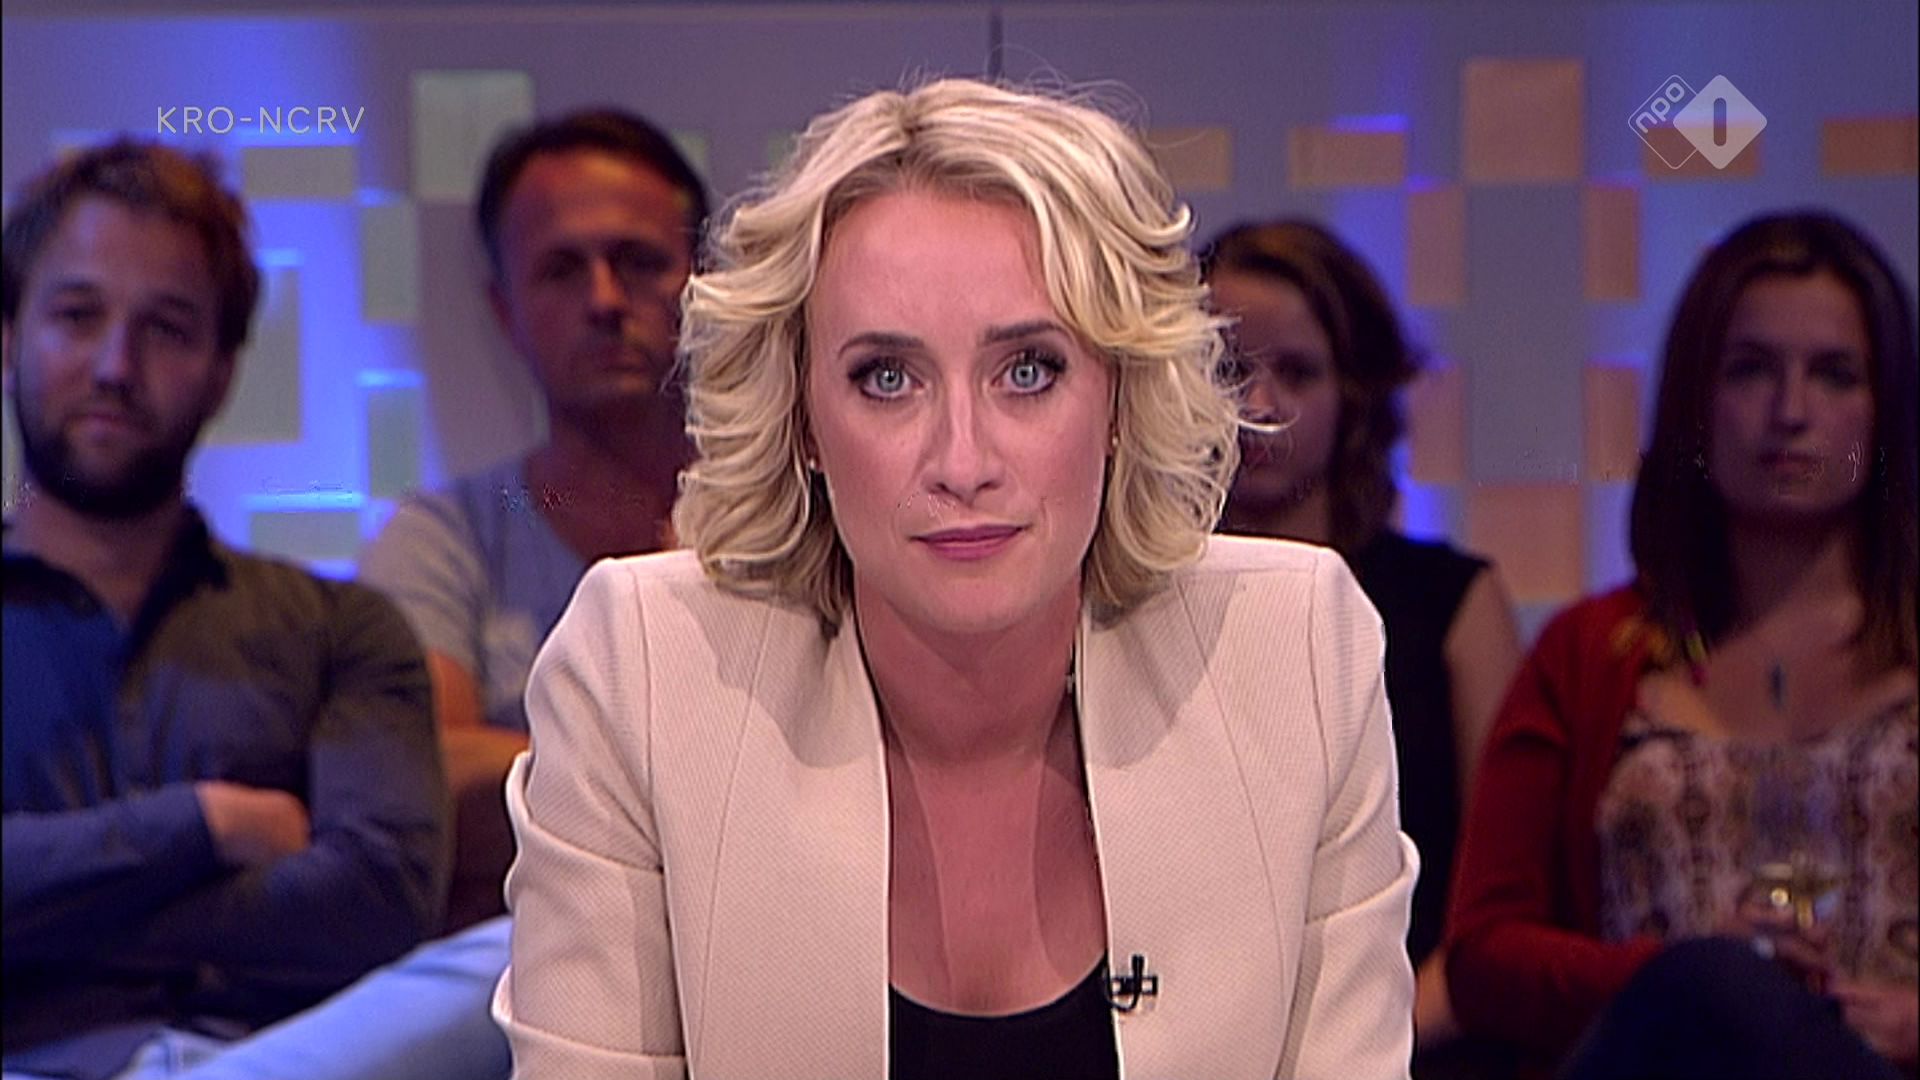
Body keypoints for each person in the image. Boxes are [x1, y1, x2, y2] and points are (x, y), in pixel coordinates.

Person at [495, 78, 1418, 1079]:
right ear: (804, 421)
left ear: (1119, 395)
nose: (963, 461)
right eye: (887, 378)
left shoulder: (1292, 652)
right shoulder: (642, 674)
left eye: (1028, 371)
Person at [1, 141, 447, 1080]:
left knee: (514, 957)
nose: (115, 366)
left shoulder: (343, 630)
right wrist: (202, 825)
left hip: (285, 1063)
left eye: (167, 328)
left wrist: (53, 917)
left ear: (221, 370)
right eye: (77, 316)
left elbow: (379, 898)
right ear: (9, 336)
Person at [1446, 210, 1918, 1079]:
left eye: (1835, 375)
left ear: (1887, 408)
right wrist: (1686, 975)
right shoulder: (1588, 653)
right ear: (1695, 401)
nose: (1790, 412)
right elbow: (1482, 956)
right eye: (1750, 370)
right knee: (1713, 989)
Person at [357, 107, 708, 930]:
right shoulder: (447, 538)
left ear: (706, 283)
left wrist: (525, 777)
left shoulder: (794, 516)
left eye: (639, 262)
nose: (605, 300)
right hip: (509, 960)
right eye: (560, 270)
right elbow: (415, 785)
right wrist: (695, 785)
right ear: (504, 309)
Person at [1201, 220, 1522, 1054]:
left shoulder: (1451, 603)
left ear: (1354, 394)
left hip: (1416, 1036)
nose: (1259, 407)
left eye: (1297, 373)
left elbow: (1501, 899)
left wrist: (1371, 1043)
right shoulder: (1126, 602)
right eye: (1227, 370)